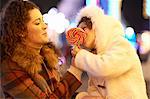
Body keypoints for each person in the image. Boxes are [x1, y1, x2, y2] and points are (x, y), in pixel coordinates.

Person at [0, 0, 83, 98]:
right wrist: (75, 70)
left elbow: (59, 91)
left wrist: (82, 96)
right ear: (20, 31)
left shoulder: (45, 56)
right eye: (37, 23)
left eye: (43, 21)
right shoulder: (10, 66)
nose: (45, 26)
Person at [71, 6, 148, 99]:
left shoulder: (121, 44)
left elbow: (105, 67)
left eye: (84, 28)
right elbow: (95, 89)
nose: (81, 33)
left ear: (97, 28)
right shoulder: (94, 56)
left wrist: (80, 56)